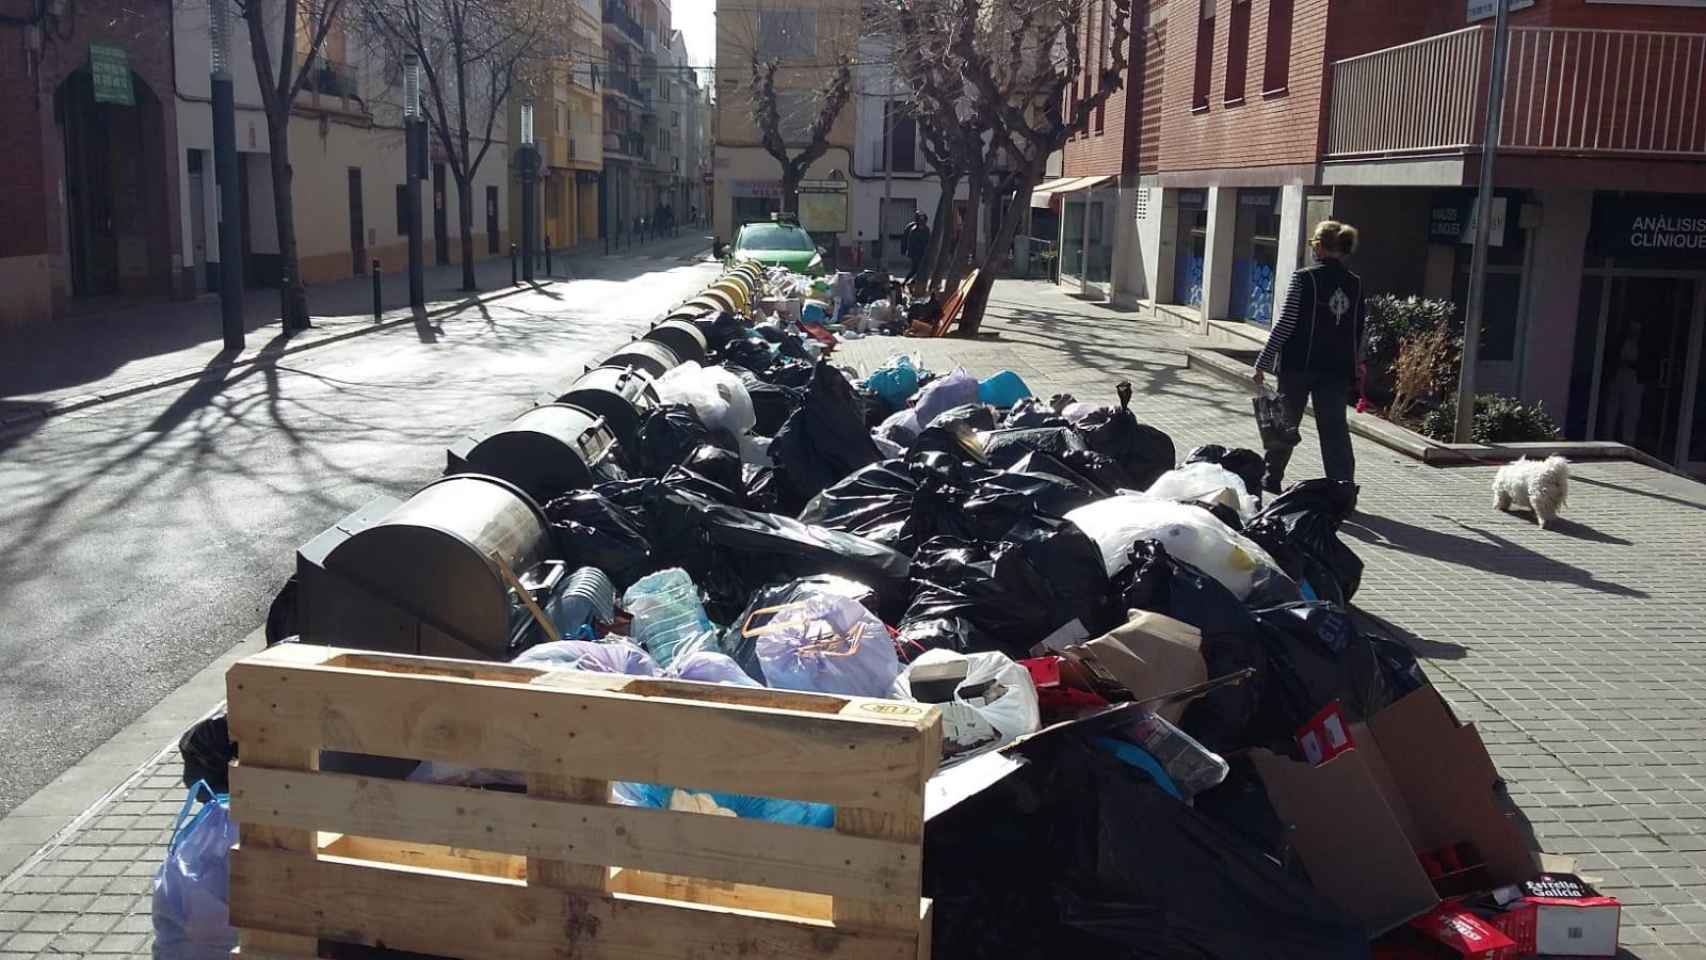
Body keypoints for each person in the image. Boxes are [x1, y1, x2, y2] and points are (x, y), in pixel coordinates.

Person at [1253, 219, 1364, 494]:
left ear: (1320, 246)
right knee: (1335, 429)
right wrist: (1356, 367)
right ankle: (1343, 485)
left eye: (1314, 242)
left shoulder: (1305, 278)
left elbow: (1286, 323)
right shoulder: (1355, 284)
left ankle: (1272, 476)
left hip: (1298, 365)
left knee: (1284, 422)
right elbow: (1359, 330)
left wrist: (1262, 362)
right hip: (1336, 370)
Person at [901, 212, 931, 287]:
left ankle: (911, 283)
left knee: (920, 270)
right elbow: (910, 243)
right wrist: (908, 252)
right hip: (915, 254)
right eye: (920, 220)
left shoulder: (926, 230)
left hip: (923, 253)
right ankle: (907, 282)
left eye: (923, 220)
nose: (922, 223)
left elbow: (928, 241)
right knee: (915, 269)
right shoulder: (913, 231)